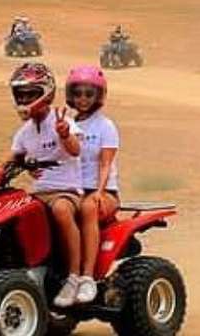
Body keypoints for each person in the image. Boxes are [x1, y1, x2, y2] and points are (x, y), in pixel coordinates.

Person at [5, 63, 85, 307]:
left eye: (30, 93)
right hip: (38, 194)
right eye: (21, 94)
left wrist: (64, 134)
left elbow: (75, 149)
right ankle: (31, 267)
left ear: (46, 93)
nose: (24, 99)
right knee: (12, 213)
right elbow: (8, 163)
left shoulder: (64, 123)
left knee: (61, 211)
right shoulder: (23, 133)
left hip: (67, 191)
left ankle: (74, 278)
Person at [65, 65, 120, 305]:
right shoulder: (67, 124)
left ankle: (87, 277)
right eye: (78, 94)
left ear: (98, 96)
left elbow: (105, 163)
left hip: (104, 191)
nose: (83, 99)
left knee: (88, 208)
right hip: (74, 189)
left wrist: (99, 191)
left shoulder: (105, 126)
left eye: (89, 94)